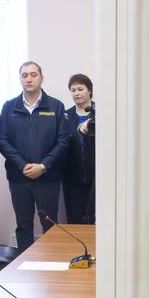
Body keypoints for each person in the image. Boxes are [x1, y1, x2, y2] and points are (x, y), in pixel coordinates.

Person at [0, 61, 71, 251]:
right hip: (19, 177)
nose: (29, 79)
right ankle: (24, 268)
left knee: (50, 225)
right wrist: (22, 165)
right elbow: (2, 140)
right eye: (24, 75)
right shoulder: (9, 106)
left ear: (41, 78)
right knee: (23, 226)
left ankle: (52, 264)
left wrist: (43, 166)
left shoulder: (55, 106)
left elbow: (63, 140)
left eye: (33, 75)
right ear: (20, 78)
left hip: (48, 178)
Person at [62, 73, 95, 224]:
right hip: (72, 178)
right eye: (73, 90)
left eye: (80, 89)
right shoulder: (65, 115)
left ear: (89, 90)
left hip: (97, 177)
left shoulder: (102, 113)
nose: (76, 93)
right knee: (75, 220)